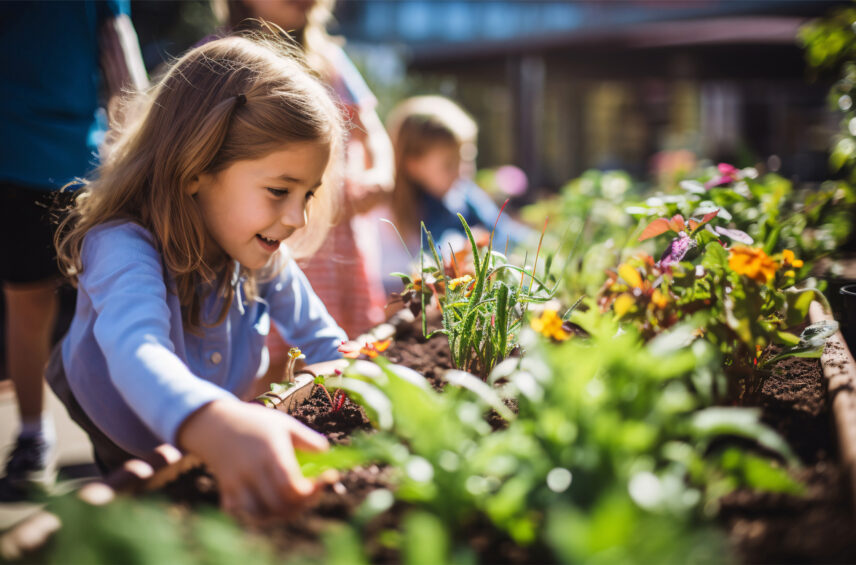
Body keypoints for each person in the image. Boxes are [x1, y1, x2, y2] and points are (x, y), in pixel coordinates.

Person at [48, 32, 348, 519]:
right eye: (279, 190)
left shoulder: (258, 247)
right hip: (115, 410)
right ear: (195, 169)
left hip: (211, 403)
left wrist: (364, 383)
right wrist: (213, 422)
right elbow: (136, 351)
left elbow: (321, 339)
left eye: (308, 194)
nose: (297, 218)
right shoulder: (121, 244)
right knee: (146, 502)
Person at [0, 0, 148, 497]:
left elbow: (119, 55)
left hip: (82, 165)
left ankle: (126, 432)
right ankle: (33, 436)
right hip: (12, 156)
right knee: (28, 301)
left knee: (111, 295)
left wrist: (140, 148)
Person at [215, 0, 394, 338]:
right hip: (266, 239)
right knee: (274, 355)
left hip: (339, 239)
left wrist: (380, 174)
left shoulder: (330, 59)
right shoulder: (219, 58)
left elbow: (371, 130)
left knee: (345, 345)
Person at [379, 95, 531, 294]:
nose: (462, 172)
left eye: (468, 160)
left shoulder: (464, 195)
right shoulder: (390, 216)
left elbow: (506, 234)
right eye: (449, 164)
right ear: (412, 163)